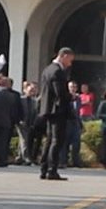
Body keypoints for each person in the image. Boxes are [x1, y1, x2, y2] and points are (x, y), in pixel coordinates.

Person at [36, 46, 76, 181]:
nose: (70, 63)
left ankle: (44, 168)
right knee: (56, 140)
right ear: (64, 56)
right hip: (57, 110)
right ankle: (52, 170)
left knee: (49, 140)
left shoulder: (47, 69)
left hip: (48, 109)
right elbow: (59, 93)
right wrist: (71, 96)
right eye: (70, 60)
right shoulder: (57, 71)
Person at [0, 73, 23, 166]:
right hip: (7, 122)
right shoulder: (13, 96)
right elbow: (15, 110)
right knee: (5, 142)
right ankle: (3, 159)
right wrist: (15, 120)